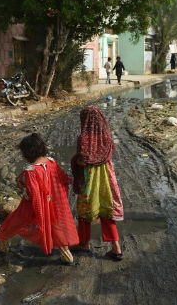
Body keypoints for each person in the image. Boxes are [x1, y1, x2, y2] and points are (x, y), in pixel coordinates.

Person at [0, 133, 79, 265]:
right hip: (53, 204)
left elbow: (33, 194)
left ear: (27, 153)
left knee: (11, 224)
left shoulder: (31, 170)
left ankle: (1, 248)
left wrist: (26, 190)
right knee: (55, 229)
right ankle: (67, 256)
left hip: (32, 206)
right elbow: (63, 180)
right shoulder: (51, 162)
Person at [71, 106, 124, 261]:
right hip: (106, 179)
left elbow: (82, 161)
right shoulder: (107, 137)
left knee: (85, 210)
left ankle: (84, 244)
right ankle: (116, 248)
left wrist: (74, 160)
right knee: (107, 211)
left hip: (90, 180)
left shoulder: (84, 139)